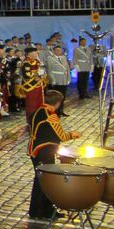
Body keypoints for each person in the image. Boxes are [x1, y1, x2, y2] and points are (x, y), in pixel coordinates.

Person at [26, 89, 80, 220]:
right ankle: (44, 210)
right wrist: (73, 135)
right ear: (57, 103)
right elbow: (61, 136)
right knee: (46, 182)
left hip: (35, 149)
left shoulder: (37, 112)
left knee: (40, 180)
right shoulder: (51, 116)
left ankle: (36, 210)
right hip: (44, 151)